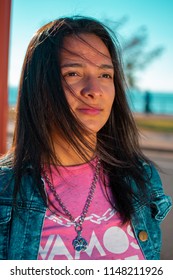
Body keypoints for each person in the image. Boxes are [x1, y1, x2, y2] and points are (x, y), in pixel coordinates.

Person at [0, 16, 172, 260]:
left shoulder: (140, 178)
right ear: (40, 86)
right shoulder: (5, 190)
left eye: (105, 75)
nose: (94, 90)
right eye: (73, 73)